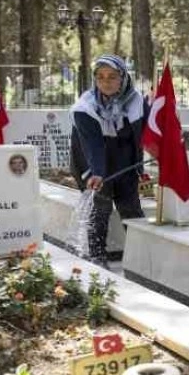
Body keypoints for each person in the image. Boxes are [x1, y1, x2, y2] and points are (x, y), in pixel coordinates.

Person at [69, 54, 147, 268]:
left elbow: (145, 133)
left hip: (124, 163)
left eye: (112, 76)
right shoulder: (85, 107)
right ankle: (97, 257)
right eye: (101, 77)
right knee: (100, 208)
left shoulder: (136, 101)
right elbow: (93, 144)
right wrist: (97, 173)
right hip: (92, 161)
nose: (106, 82)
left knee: (131, 209)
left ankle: (141, 258)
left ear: (123, 77)